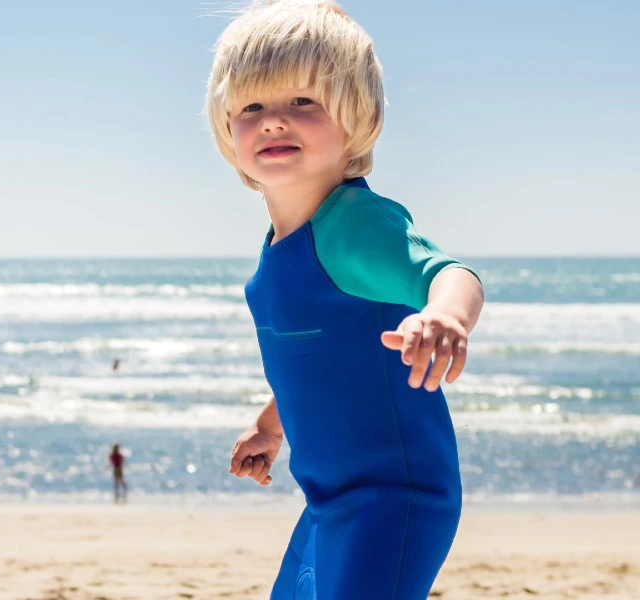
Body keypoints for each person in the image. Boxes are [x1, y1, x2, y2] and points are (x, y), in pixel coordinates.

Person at [204, 2, 485, 598]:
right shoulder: (283, 241)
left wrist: (444, 315)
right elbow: (325, 358)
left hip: (393, 496)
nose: (274, 121)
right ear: (226, 127)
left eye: (302, 102)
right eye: (252, 106)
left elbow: (449, 272)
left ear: (358, 117)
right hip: (326, 498)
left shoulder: (355, 223)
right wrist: (270, 426)